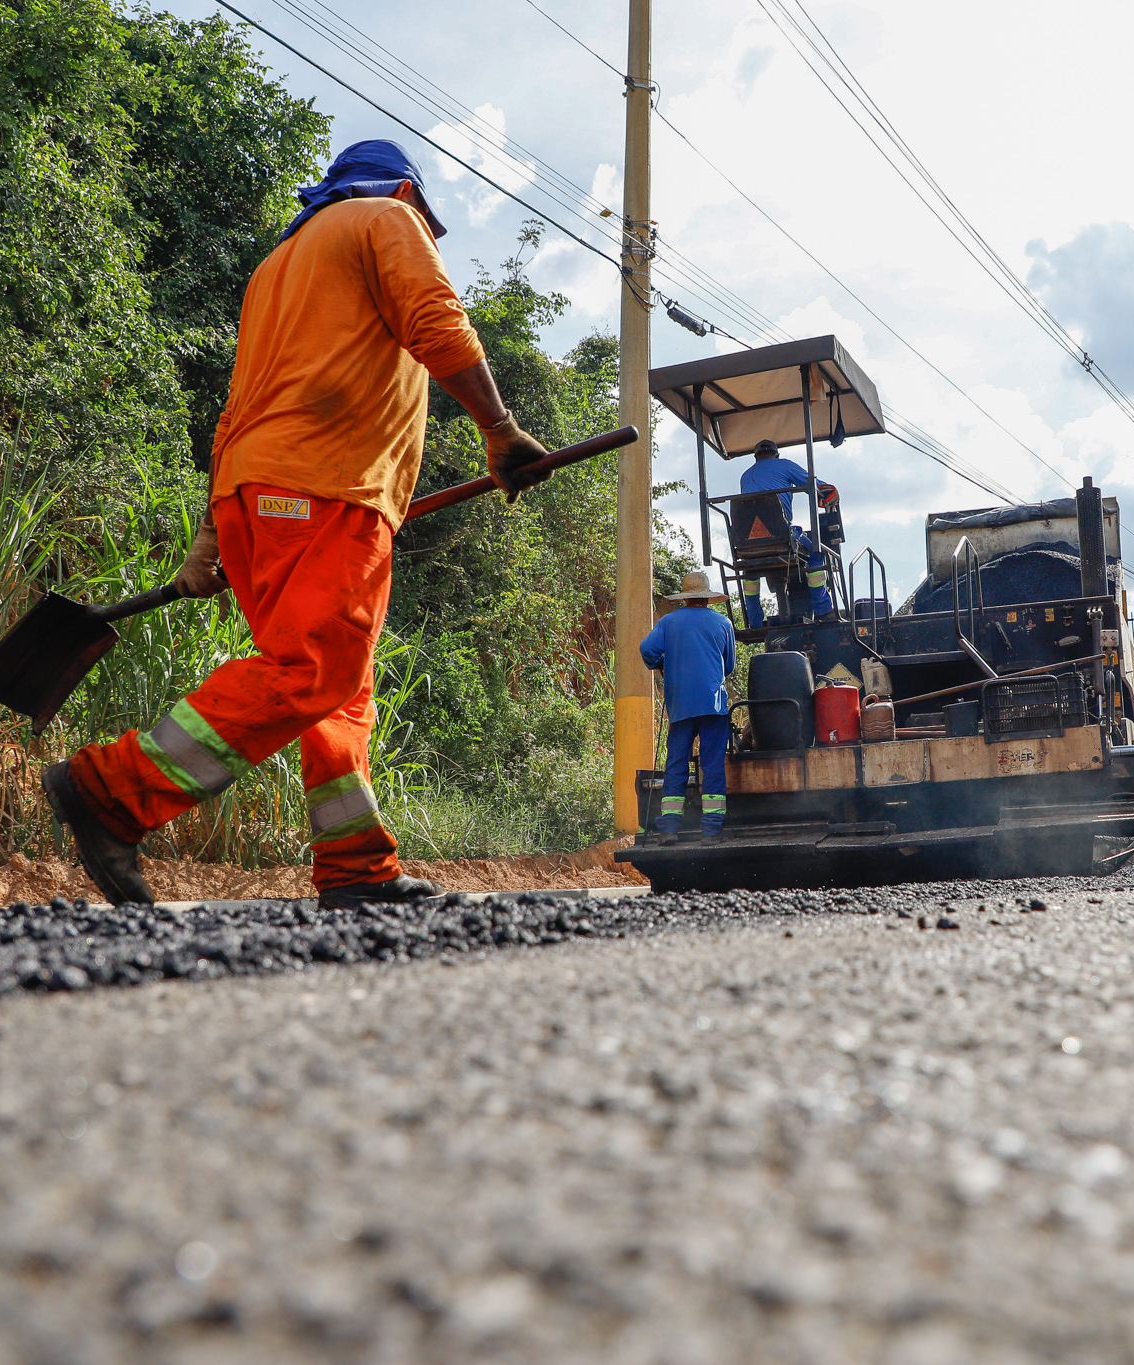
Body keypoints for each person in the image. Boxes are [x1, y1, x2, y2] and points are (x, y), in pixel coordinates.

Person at [41, 140, 556, 910]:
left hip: (255, 492)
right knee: (314, 668)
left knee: (338, 689)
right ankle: (113, 789)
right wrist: (500, 427)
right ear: (408, 191)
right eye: (428, 220)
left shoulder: (275, 267)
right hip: (326, 487)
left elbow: (241, 403)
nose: (428, 233)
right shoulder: (385, 217)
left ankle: (356, 870)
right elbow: (434, 317)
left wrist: (212, 537)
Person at [640, 570, 739, 844]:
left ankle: (669, 829)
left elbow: (647, 649)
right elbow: (728, 665)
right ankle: (711, 831)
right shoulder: (723, 623)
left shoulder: (669, 622)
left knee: (676, 765)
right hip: (713, 706)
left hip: (681, 705)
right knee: (712, 766)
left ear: (685, 598)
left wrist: (661, 665)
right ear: (707, 599)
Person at [737, 438, 835, 626]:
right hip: (781, 535)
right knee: (816, 552)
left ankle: (755, 622)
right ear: (776, 454)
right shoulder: (784, 465)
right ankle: (823, 610)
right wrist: (828, 491)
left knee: (750, 569)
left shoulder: (745, 475)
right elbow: (814, 485)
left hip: (746, 541)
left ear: (755, 457)